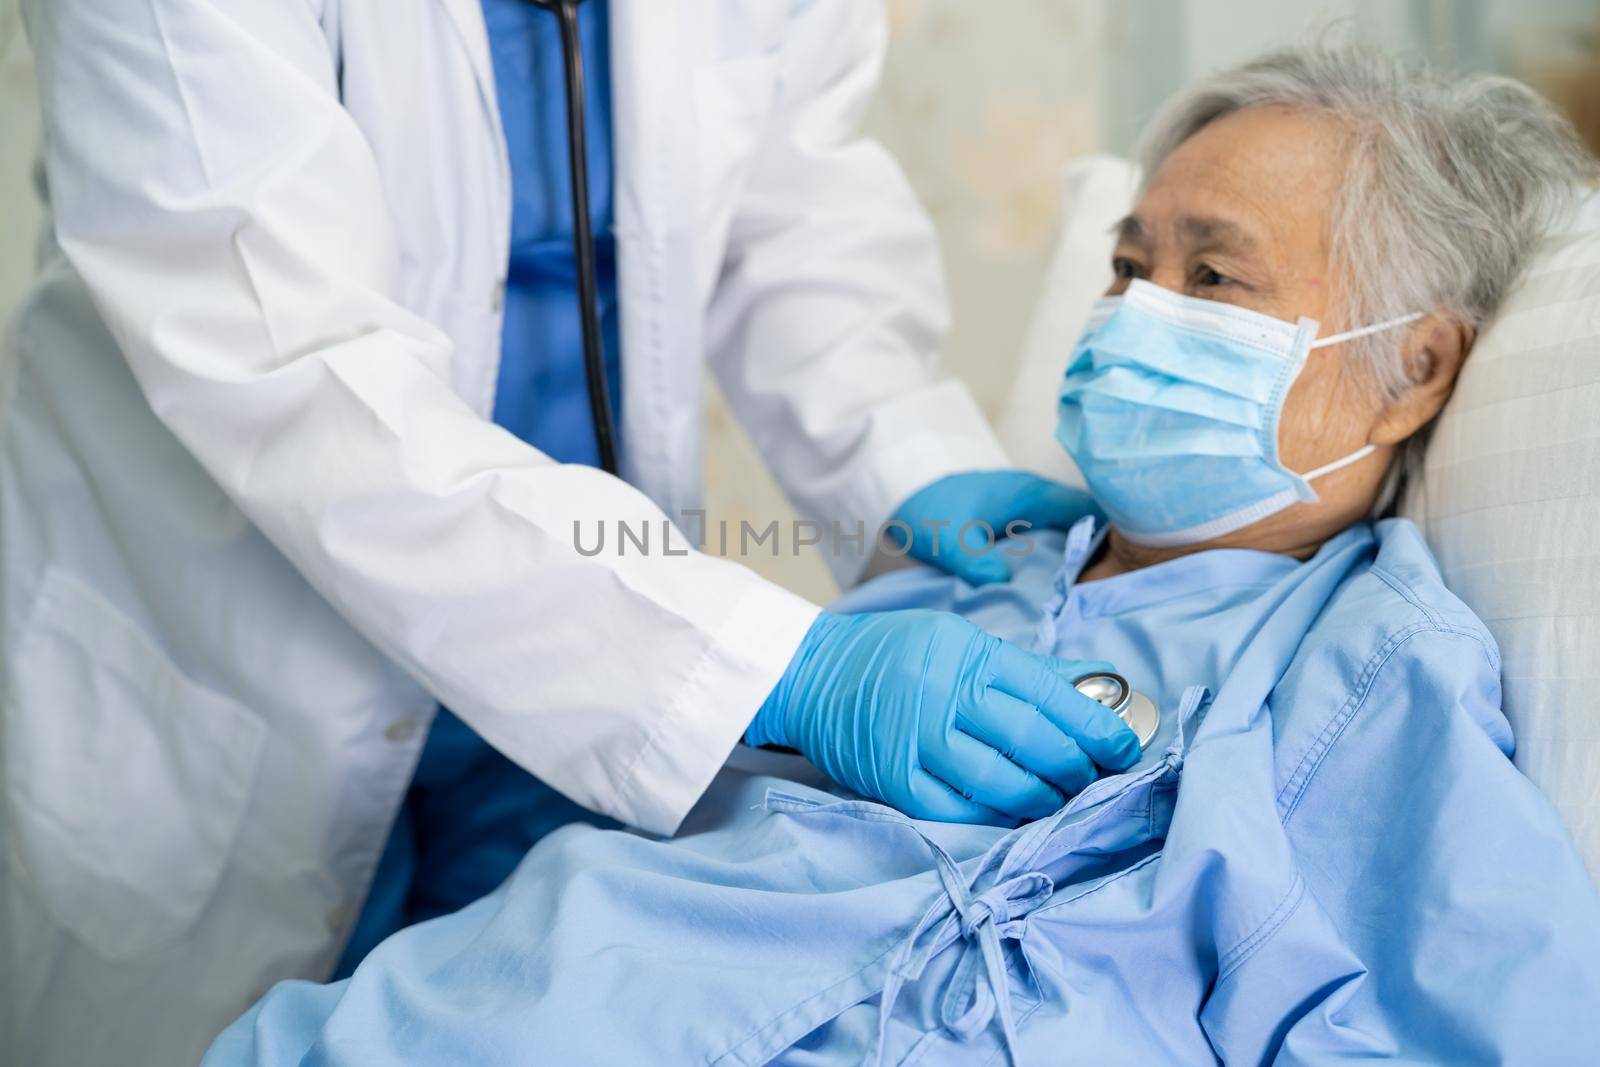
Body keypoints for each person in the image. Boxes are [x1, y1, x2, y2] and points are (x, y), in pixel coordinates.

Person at [203, 44, 1600, 1066]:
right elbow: (275, 353)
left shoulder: (1361, 667)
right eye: (1127, 269)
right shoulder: (948, 596)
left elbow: (1484, 1013)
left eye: (1214, 278)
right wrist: (798, 666)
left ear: (1415, 370)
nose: (1130, 315)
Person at [0, 2, 1139, 1064]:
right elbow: (292, 361)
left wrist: (903, 456)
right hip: (233, 646)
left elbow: (793, 207)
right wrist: (767, 665)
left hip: (579, 678)